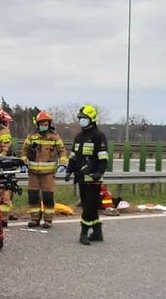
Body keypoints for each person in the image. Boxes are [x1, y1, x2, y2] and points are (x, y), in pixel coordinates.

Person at [65, 104, 109, 245]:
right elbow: (73, 156)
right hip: (81, 178)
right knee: (89, 205)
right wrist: (69, 170)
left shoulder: (98, 136)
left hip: (93, 179)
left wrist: (99, 173)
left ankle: (83, 233)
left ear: (92, 118)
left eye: (84, 118)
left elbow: (103, 158)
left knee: (88, 206)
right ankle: (97, 232)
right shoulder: (79, 136)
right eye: (80, 118)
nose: (81, 120)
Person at [21, 110, 67, 229]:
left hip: (48, 173)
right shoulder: (31, 136)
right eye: (41, 124)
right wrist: (23, 163)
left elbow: (62, 151)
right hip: (33, 173)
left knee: (48, 197)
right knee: (33, 196)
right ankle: (34, 219)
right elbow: (24, 151)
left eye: (45, 124)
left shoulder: (54, 137)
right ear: (38, 124)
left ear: (49, 124)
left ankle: (48, 220)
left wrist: (63, 164)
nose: (43, 126)